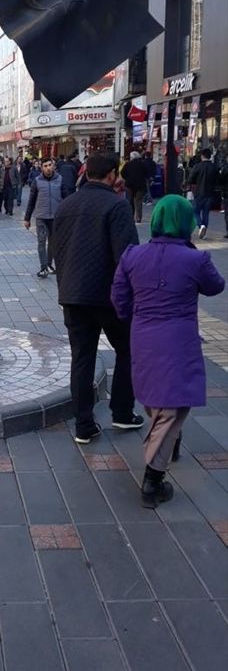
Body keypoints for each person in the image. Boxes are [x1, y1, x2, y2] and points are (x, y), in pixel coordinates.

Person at [111, 195, 225, 507]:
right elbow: (216, 286)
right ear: (187, 222)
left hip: (143, 333)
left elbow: (119, 297)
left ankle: (168, 444)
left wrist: (137, 315)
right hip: (178, 337)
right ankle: (153, 479)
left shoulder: (133, 255)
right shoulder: (195, 260)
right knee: (173, 405)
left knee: (155, 396)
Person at [53, 153, 142, 444]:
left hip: (73, 294)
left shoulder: (65, 205)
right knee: (127, 349)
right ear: (113, 174)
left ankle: (83, 425)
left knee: (82, 357)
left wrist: (64, 287)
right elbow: (127, 257)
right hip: (109, 297)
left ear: (86, 173)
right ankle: (122, 412)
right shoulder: (117, 206)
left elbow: (57, 251)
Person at [24, 158, 66, 278]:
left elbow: (67, 198)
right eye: (45, 165)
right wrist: (27, 219)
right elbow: (31, 201)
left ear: (53, 166)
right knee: (41, 241)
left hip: (55, 217)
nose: (48, 168)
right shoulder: (37, 181)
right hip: (41, 216)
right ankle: (43, 268)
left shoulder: (59, 179)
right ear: (41, 168)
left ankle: (49, 264)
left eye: (50, 165)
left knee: (53, 242)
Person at [188, 147, 220, 239]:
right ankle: (204, 231)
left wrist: (190, 183)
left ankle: (201, 225)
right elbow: (218, 180)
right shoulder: (215, 167)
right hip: (210, 193)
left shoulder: (197, 166)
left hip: (199, 193)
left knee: (195, 211)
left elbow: (191, 179)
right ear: (210, 156)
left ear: (202, 156)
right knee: (206, 213)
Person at [121, 151, 149, 223]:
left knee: (130, 201)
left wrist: (127, 178)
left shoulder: (128, 164)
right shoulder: (143, 164)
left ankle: (131, 217)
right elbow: (147, 173)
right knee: (138, 201)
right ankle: (138, 217)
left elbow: (122, 173)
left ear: (132, 157)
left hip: (129, 185)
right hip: (140, 185)